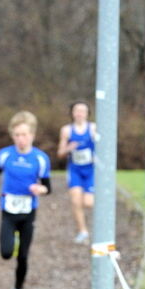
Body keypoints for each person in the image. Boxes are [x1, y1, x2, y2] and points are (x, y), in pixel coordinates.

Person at [0, 110, 51, 289]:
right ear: (12, 135)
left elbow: (48, 187)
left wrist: (39, 188)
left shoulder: (40, 158)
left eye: (24, 134)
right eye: (16, 135)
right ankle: (11, 241)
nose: (20, 139)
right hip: (9, 209)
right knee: (6, 253)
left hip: (28, 211)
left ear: (32, 134)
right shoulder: (5, 155)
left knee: (23, 256)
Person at [57, 100, 96, 244]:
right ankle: (83, 231)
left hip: (91, 170)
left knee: (88, 202)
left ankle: (100, 223)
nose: (79, 113)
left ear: (87, 114)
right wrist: (68, 148)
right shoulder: (66, 130)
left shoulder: (93, 128)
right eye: (76, 111)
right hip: (75, 170)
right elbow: (60, 153)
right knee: (76, 201)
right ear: (72, 113)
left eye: (82, 111)